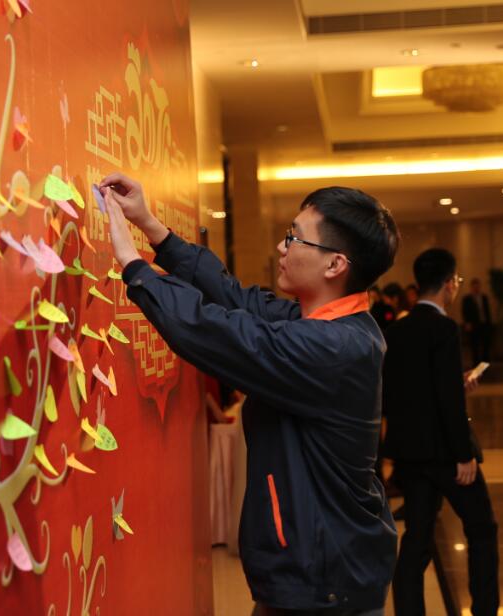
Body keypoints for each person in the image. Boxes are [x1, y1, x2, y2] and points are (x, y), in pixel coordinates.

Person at [99, 173, 401, 615]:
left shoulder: (334, 347)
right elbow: (234, 298)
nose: (281, 247)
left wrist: (133, 265)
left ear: (335, 265)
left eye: (294, 238)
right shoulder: (323, 324)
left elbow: (220, 333)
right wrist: (151, 227)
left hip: (323, 581)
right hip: (320, 568)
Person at [382, 248, 499, 616]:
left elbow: (404, 390)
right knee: (481, 527)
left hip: (410, 454)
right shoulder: (445, 328)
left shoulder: (396, 331)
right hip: (446, 454)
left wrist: (454, 383)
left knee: (417, 537)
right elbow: (447, 400)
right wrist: (463, 454)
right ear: (450, 284)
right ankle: (485, 609)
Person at [462, 278, 493, 364]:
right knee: (474, 345)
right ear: (471, 287)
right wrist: (467, 323)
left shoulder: (484, 297)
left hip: (484, 324)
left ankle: (485, 363)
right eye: (474, 286)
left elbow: (487, 311)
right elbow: (465, 311)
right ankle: (475, 363)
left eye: (478, 286)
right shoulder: (467, 299)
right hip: (474, 325)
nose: (476, 288)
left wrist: (489, 324)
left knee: (486, 344)